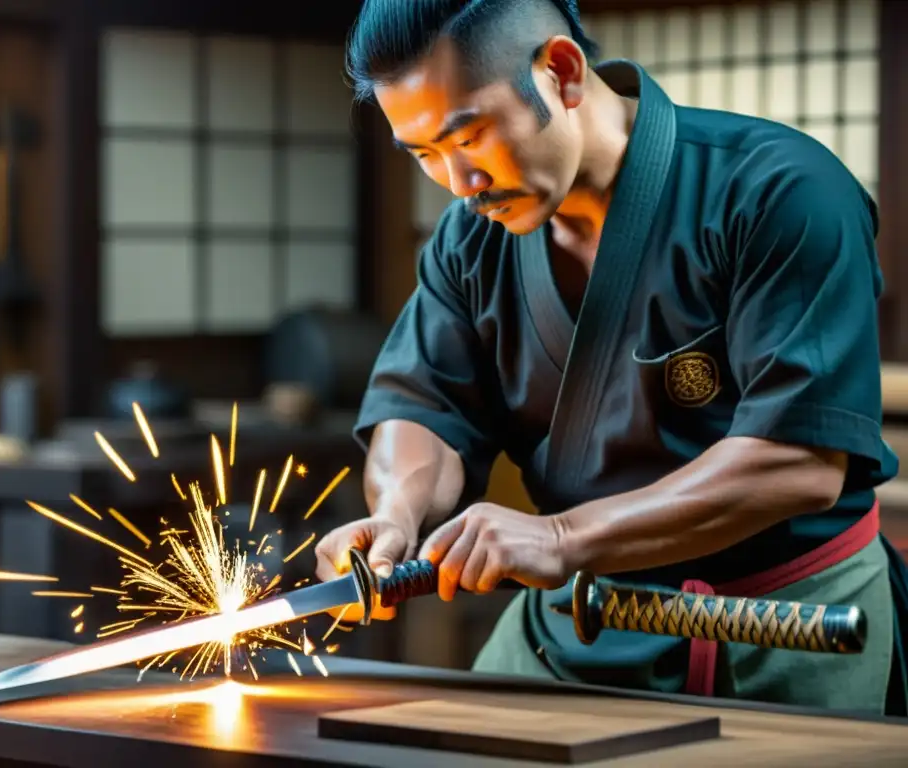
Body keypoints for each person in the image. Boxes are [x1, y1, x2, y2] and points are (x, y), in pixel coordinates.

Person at [314, 0, 908, 715]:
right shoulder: (468, 242)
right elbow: (424, 406)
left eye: (467, 136)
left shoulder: (780, 191)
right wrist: (400, 512)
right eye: (425, 155)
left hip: (786, 618)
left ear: (561, 72)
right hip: (576, 613)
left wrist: (562, 535)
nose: (458, 184)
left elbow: (800, 461)